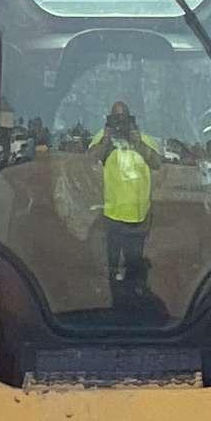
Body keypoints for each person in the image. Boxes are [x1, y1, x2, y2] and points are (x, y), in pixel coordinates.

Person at [88, 100, 164, 291]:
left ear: (132, 120)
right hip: (112, 212)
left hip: (139, 215)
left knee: (134, 261)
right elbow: (90, 159)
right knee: (112, 260)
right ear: (109, 120)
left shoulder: (144, 139)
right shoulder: (103, 137)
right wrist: (106, 141)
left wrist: (137, 143)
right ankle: (115, 293)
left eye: (124, 118)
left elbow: (157, 163)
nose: (120, 123)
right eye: (116, 118)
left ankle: (133, 295)